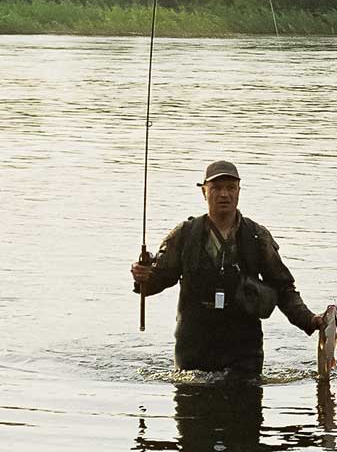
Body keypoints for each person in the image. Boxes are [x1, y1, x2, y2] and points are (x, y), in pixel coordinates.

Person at [131, 160, 324, 378]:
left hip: (244, 352)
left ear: (239, 192)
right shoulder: (184, 235)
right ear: (204, 192)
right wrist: (142, 277)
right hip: (193, 350)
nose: (224, 194)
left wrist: (310, 320)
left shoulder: (257, 235)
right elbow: (158, 280)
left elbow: (283, 288)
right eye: (216, 188)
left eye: (230, 188)